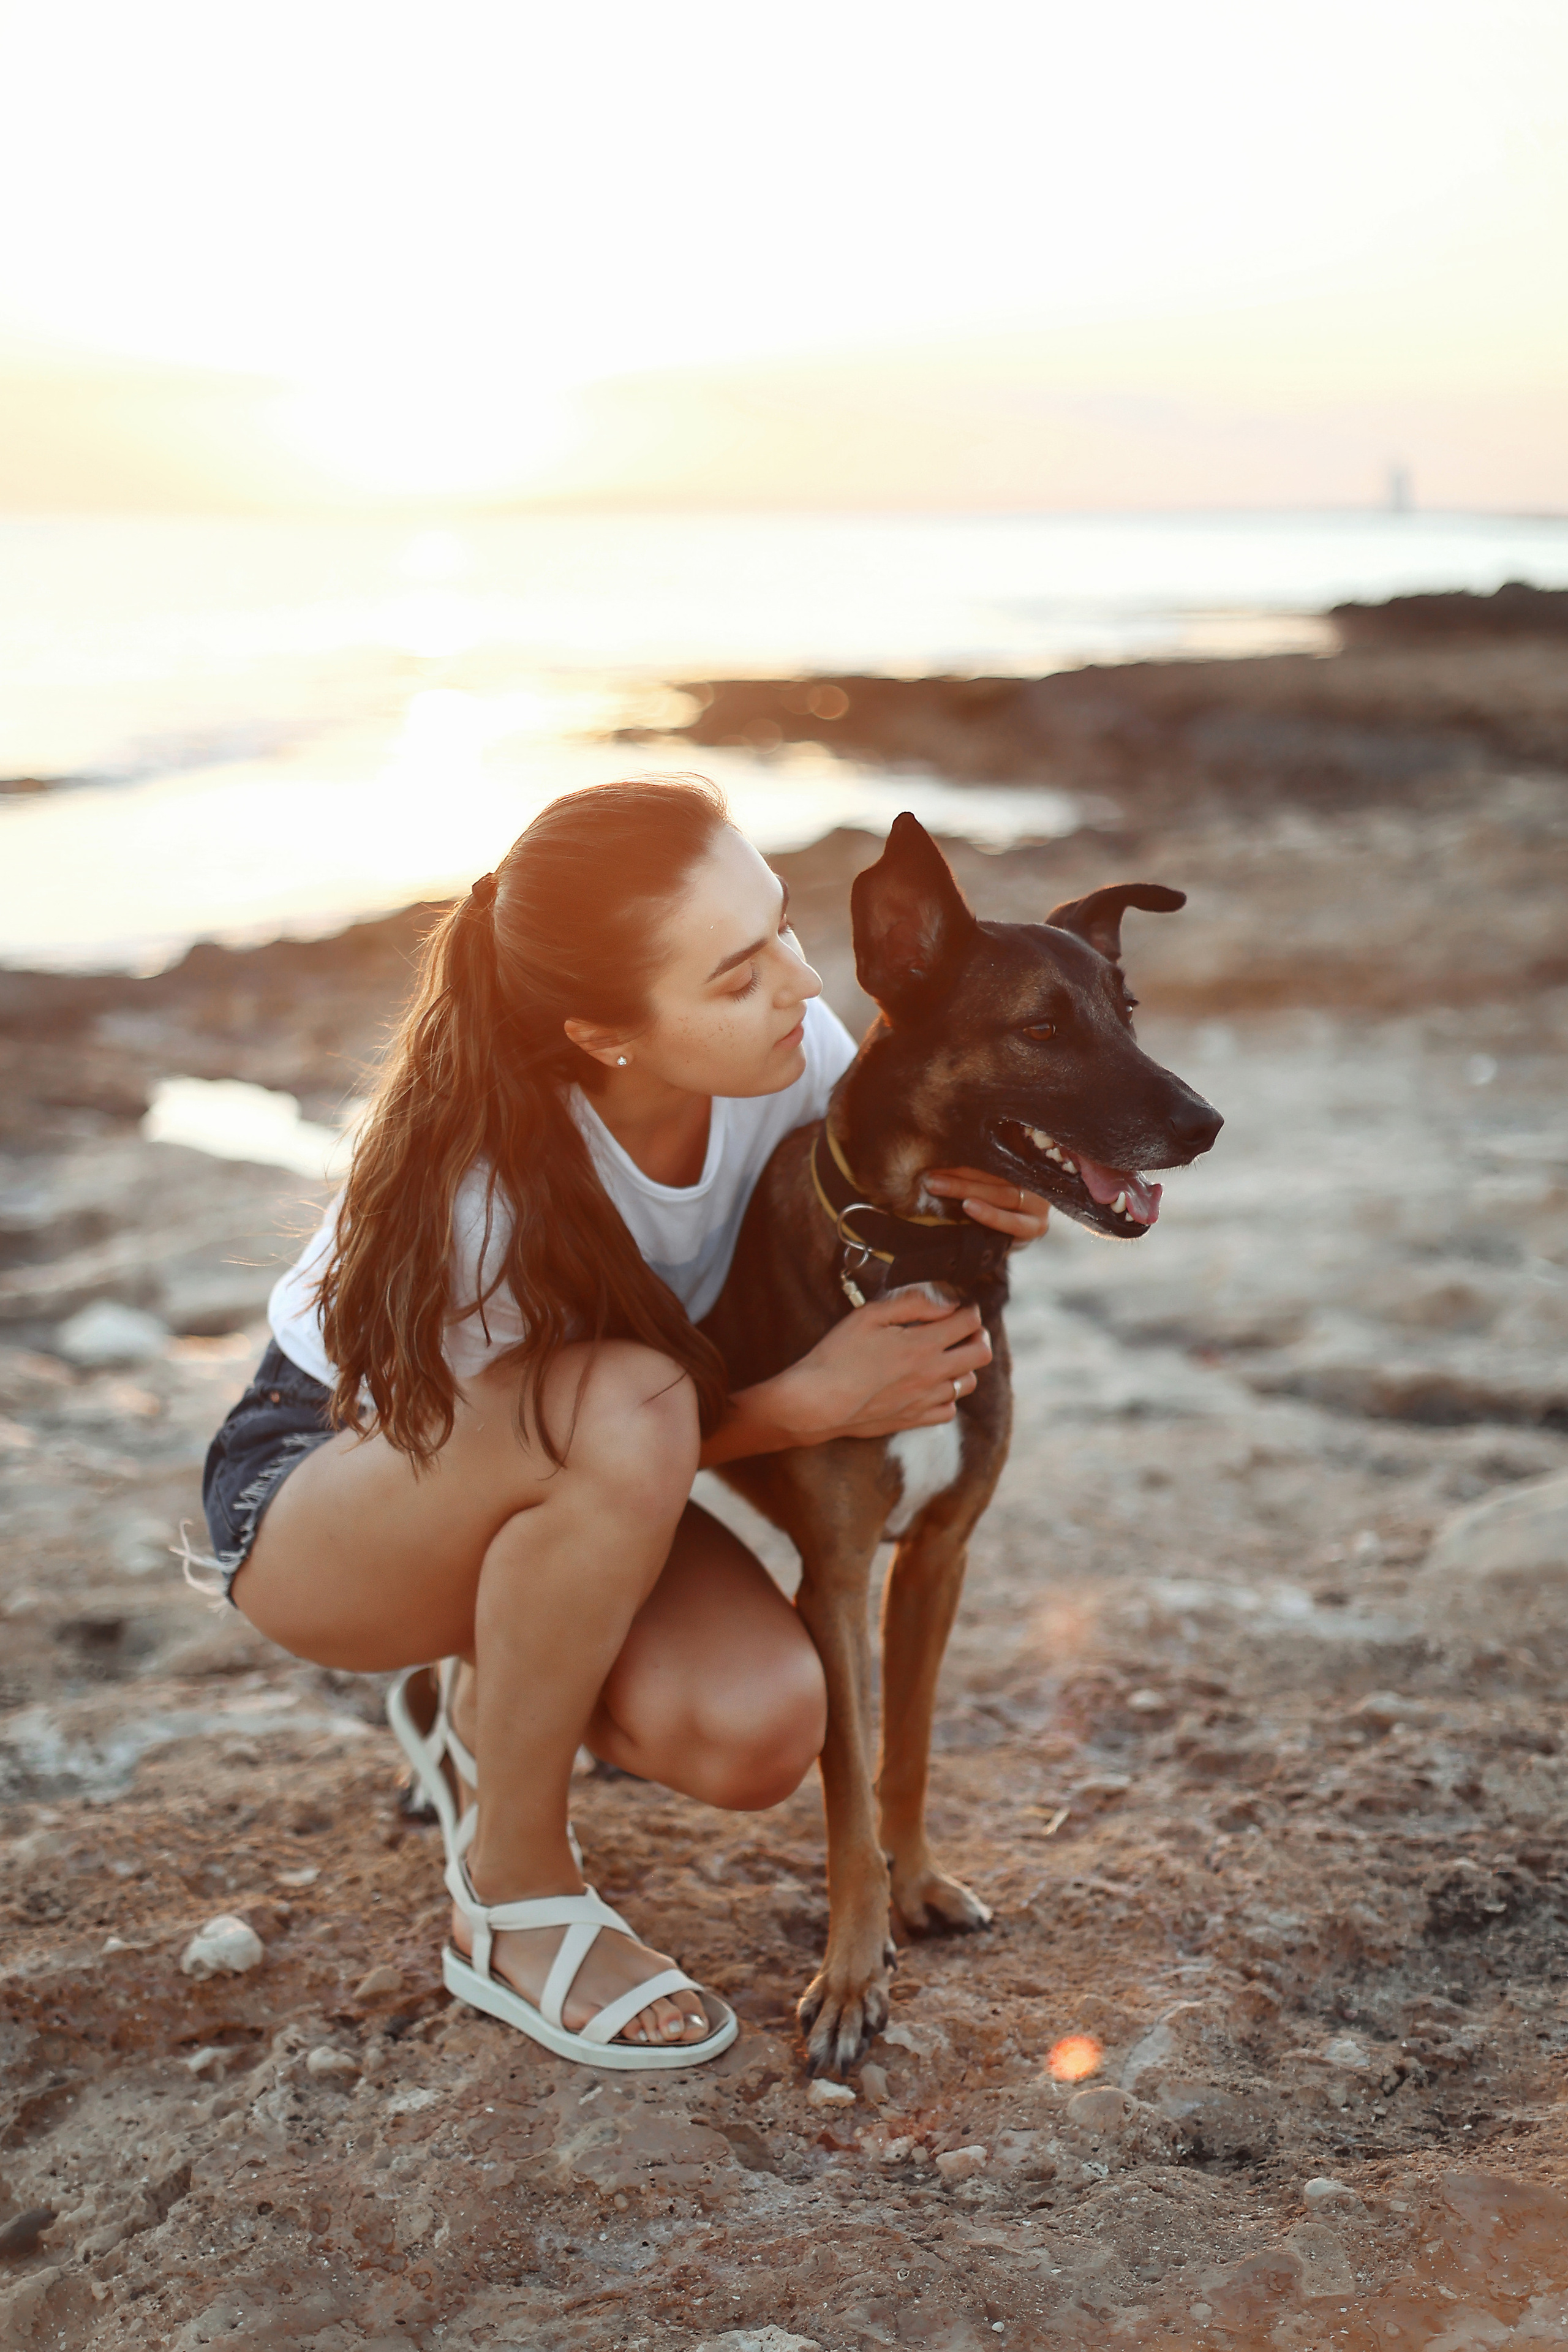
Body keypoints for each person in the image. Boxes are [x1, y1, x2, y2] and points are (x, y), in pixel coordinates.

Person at [196, 777, 1047, 2068]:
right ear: (607, 1035)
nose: (799, 988)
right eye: (733, 975)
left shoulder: (795, 1062)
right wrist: (803, 1408)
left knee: (759, 1723)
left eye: (779, 928)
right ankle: (511, 1900)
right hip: (329, 1491)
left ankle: (473, 1704)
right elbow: (547, 1450)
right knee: (633, 1402)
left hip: (583, 1457)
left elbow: (863, 1188)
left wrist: (980, 1185)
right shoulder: (479, 1194)